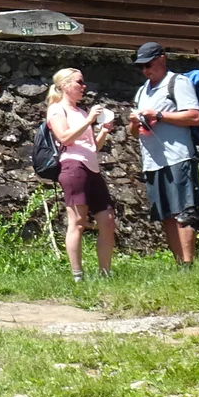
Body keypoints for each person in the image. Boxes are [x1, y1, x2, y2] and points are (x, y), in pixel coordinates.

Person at [127, 41, 199, 267]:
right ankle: (180, 264)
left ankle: (189, 264)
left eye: (148, 65)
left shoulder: (178, 83)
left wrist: (159, 115)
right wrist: (134, 122)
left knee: (184, 213)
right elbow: (133, 133)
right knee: (166, 216)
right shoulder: (142, 91)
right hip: (153, 162)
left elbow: (193, 117)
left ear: (162, 58)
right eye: (141, 67)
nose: (145, 70)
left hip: (178, 157)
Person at [46, 67, 117, 282]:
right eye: (79, 82)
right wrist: (89, 122)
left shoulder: (81, 112)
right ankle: (78, 275)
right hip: (73, 167)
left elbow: (92, 146)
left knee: (108, 220)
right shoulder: (57, 109)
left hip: (91, 167)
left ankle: (105, 274)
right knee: (77, 221)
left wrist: (103, 130)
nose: (83, 86)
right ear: (65, 86)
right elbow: (65, 138)